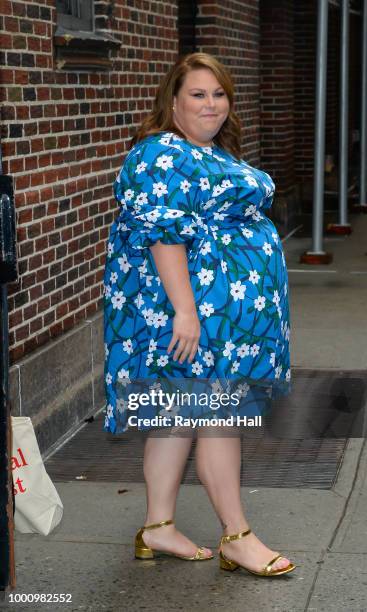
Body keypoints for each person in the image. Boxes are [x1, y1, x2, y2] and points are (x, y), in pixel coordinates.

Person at [103, 52, 296, 577]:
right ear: (172, 99)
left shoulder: (209, 151)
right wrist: (185, 313)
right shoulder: (161, 153)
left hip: (226, 317)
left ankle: (157, 527)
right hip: (197, 315)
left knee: (178, 417)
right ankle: (238, 537)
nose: (211, 104)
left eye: (218, 94)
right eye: (197, 94)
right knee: (218, 418)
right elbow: (164, 236)